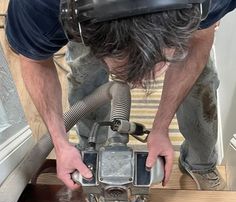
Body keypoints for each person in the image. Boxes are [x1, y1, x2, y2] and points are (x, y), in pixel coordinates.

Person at [5, 0, 236, 190]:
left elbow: (199, 40)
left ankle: (201, 164)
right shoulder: (40, 5)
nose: (133, 86)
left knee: (201, 81)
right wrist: (60, 142)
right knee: (84, 73)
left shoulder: (209, 3)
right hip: (90, 18)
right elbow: (34, 60)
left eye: (160, 64)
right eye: (124, 73)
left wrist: (161, 127)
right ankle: (91, 154)